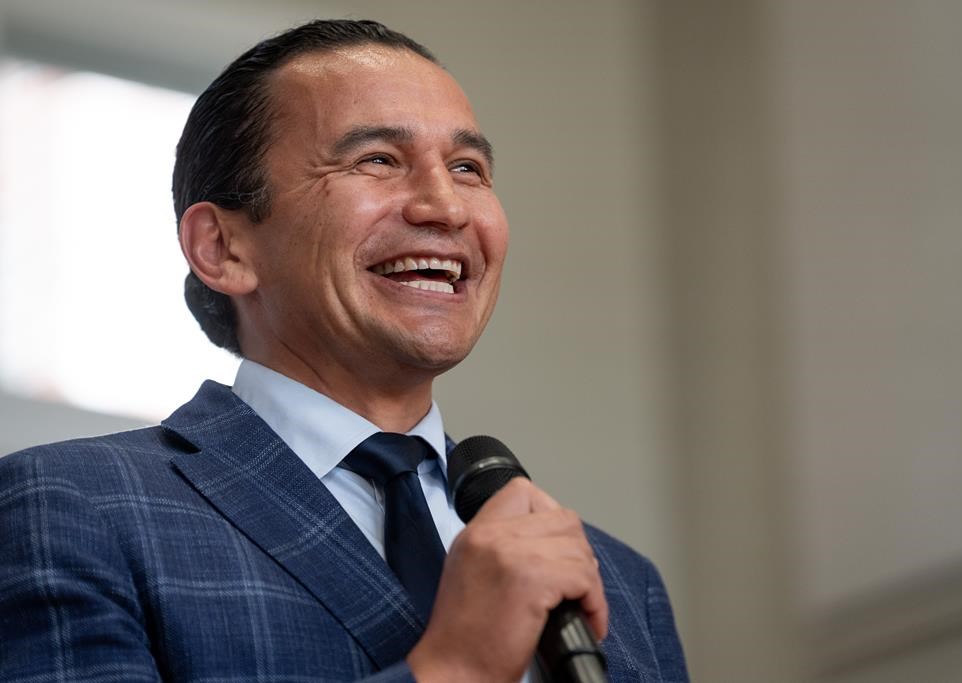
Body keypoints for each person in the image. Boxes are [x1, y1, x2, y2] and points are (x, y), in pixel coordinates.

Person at [0, 19, 687, 682]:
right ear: (223, 247)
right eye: (378, 160)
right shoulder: (72, 508)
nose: (446, 207)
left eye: (468, 167)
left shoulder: (619, 583)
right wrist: (456, 668)